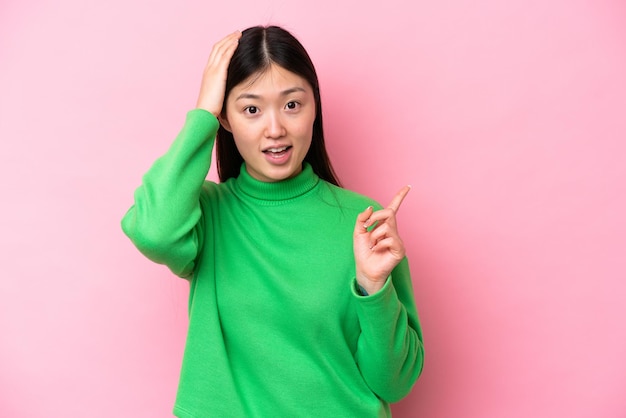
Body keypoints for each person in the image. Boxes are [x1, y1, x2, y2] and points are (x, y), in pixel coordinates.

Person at [122, 25, 424, 417]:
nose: (275, 129)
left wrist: (373, 287)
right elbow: (152, 231)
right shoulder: (209, 215)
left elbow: (394, 383)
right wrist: (202, 114)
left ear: (314, 106)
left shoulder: (361, 221)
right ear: (225, 120)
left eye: (292, 105)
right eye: (251, 109)